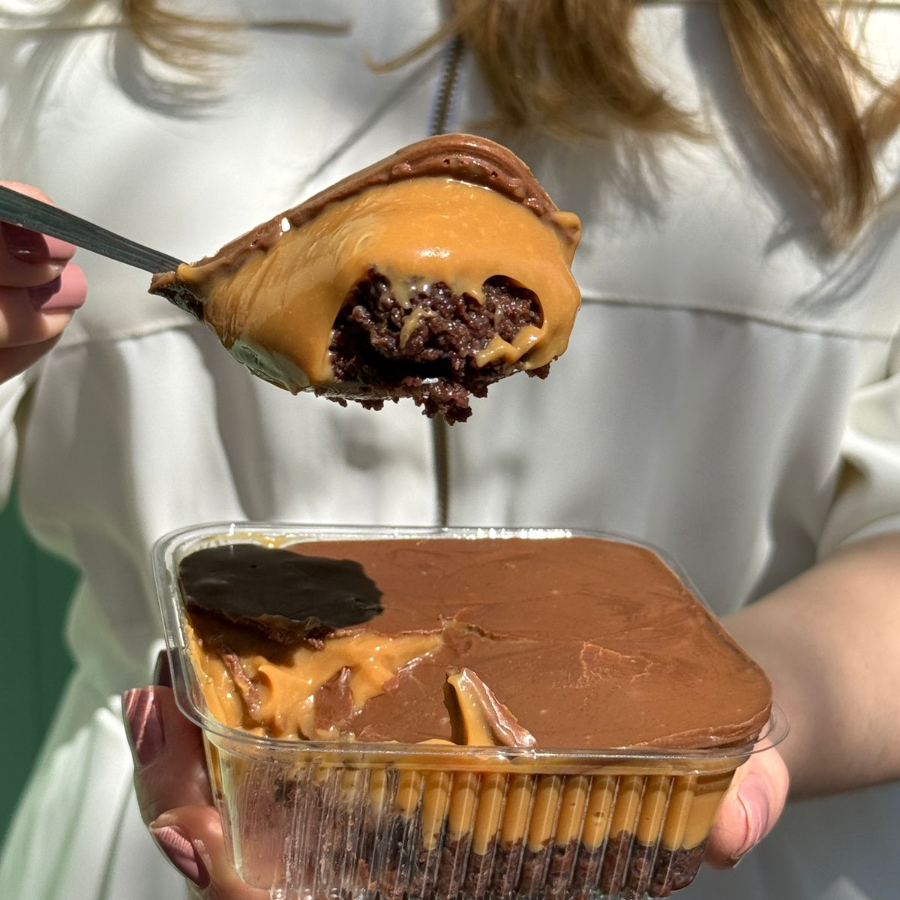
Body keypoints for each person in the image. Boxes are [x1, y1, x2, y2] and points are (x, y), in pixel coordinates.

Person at [1, 1, 898, 899]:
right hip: (187, 796)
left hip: (678, 834)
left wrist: (711, 726)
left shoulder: (868, 50)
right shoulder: (42, 30)